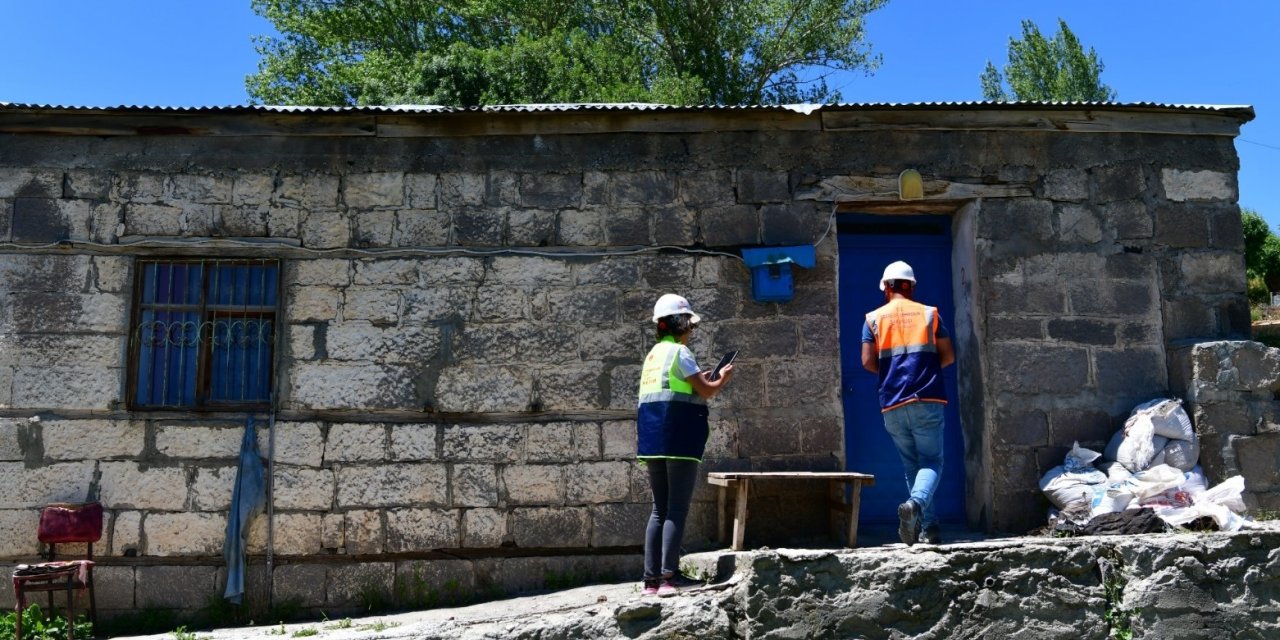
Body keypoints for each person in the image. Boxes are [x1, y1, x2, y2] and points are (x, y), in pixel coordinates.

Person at [637, 293, 733, 597]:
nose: (691, 330)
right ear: (679, 323)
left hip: (652, 439)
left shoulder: (654, 355)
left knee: (659, 510)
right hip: (678, 437)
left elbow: (677, 385)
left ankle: (651, 581)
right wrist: (723, 378)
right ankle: (669, 578)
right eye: (689, 324)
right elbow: (706, 391)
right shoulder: (680, 353)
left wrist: (701, 379)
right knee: (676, 509)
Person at [861, 261, 955, 546]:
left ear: (886, 287)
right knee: (932, 461)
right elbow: (948, 356)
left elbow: (867, 362)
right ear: (911, 286)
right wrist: (923, 371)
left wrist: (892, 375)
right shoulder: (930, 314)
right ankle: (916, 505)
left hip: (892, 402)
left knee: (912, 465)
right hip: (927, 398)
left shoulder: (873, 319)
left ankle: (929, 527)